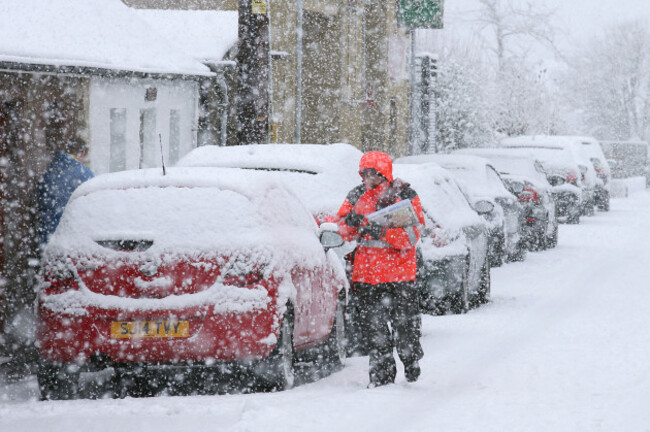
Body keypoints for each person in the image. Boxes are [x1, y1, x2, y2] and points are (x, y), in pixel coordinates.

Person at [337, 151, 426, 387]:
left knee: (405, 326)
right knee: (375, 330)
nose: (368, 179)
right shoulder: (356, 196)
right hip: (367, 275)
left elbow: (412, 235)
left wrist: (384, 232)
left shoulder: (404, 194)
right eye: (365, 174)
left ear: (384, 173)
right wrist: (350, 222)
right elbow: (341, 229)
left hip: (400, 274)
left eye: (373, 174)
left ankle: (410, 359)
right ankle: (381, 377)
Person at [36, 136, 94, 246]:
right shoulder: (84, 174)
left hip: (47, 236)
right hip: (72, 239)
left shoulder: (50, 171)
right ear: (82, 153)